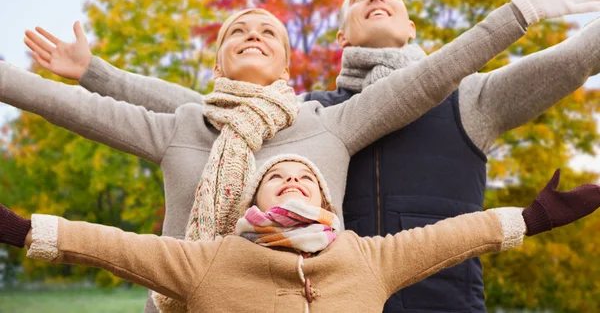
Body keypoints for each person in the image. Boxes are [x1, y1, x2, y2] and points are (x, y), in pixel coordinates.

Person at [18, 0, 600, 311]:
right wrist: (95, 73)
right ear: (339, 40)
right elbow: (178, 111)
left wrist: (522, 10)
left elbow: (449, 74)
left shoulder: (440, 102)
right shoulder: (276, 118)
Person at [1, 155, 599, 312]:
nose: (290, 182)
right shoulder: (207, 261)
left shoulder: (366, 256)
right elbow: (109, 244)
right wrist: (20, 229)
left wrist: (534, 217)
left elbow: (453, 236)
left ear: (324, 200)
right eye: (276, 178)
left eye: (302, 179)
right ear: (254, 200)